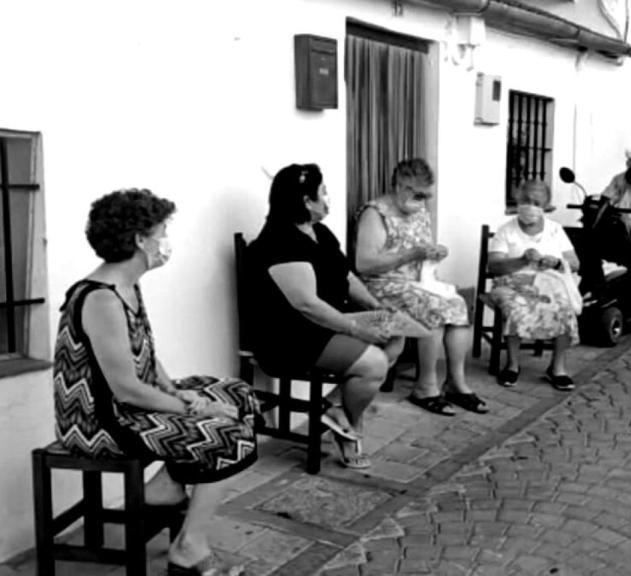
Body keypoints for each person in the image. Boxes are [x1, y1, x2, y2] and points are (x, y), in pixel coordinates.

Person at [54, 189, 256, 576]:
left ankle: (164, 487)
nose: (167, 239)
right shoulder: (101, 299)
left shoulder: (127, 285)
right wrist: (197, 407)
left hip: (128, 406)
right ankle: (188, 548)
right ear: (139, 240)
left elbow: (145, 352)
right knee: (228, 434)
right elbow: (125, 389)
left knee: (239, 394)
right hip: (100, 423)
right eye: (162, 230)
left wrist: (177, 391)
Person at [248, 163, 404, 469]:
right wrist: (358, 330)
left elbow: (344, 276)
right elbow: (306, 305)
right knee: (374, 363)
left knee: (395, 336)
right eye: (323, 192)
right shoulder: (279, 241)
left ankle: (337, 412)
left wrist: (375, 307)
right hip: (291, 335)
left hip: (328, 323)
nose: (328, 197)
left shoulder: (319, 232)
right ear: (306, 201)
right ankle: (350, 431)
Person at [355, 158, 488, 417]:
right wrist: (410, 254)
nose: (423, 201)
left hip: (418, 283)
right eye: (419, 195)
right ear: (401, 187)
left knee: (458, 304)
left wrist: (434, 253)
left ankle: (456, 383)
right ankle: (426, 387)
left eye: (427, 196)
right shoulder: (375, 213)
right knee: (434, 308)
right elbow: (364, 264)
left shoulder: (420, 212)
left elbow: (421, 250)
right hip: (383, 286)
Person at [487, 180, 582, 391]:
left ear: (546, 206)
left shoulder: (555, 230)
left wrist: (556, 262)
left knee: (564, 308)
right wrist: (521, 260)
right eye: (526, 200)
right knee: (516, 307)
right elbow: (494, 266)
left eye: (537, 202)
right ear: (518, 201)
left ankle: (557, 368)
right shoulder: (506, 230)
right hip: (513, 283)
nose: (531, 206)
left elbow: (574, 263)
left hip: (548, 283)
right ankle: (512, 364)